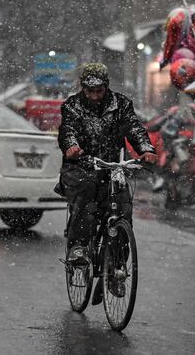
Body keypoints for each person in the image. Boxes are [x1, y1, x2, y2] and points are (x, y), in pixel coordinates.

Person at [57, 63, 157, 302]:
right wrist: (72, 147)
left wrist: (145, 149)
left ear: (106, 87)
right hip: (81, 166)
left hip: (114, 167)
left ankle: (116, 268)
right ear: (83, 88)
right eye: (89, 91)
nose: (94, 96)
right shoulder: (72, 106)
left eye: (99, 91)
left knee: (123, 210)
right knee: (88, 194)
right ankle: (79, 247)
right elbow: (67, 131)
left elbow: (134, 128)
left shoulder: (121, 104)